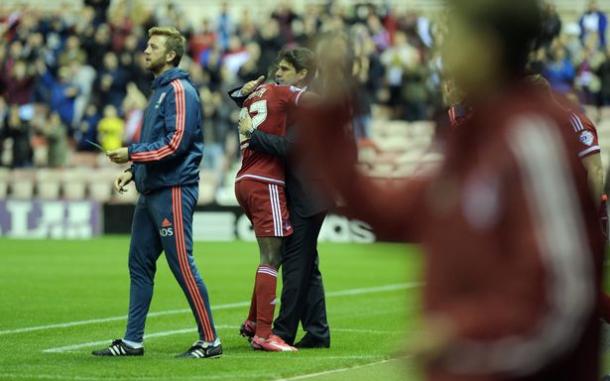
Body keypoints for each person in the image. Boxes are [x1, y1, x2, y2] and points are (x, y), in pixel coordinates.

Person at [300, 1, 605, 380]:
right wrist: (330, 109)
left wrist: (463, 336)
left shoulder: (533, 138)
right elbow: (382, 209)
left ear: (487, 48)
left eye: (452, 36)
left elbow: (563, 300)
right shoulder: (472, 136)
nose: (442, 50)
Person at [92, 26, 221, 359]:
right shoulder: (159, 92)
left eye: (153, 46)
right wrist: (133, 171)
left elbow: (175, 144)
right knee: (139, 265)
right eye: (146, 45)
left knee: (182, 264)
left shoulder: (180, 90)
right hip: (151, 190)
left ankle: (210, 341)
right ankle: (132, 341)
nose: (145, 51)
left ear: (171, 55)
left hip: (174, 190)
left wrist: (132, 153)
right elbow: (158, 143)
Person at [230, 47, 329, 351]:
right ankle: (317, 332)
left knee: (294, 264)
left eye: (285, 69)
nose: (278, 72)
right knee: (306, 266)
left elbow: (293, 147)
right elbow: (260, 106)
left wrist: (252, 135)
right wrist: (240, 93)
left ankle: (281, 331)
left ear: (302, 74)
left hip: (307, 194)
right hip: (296, 191)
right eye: (279, 67)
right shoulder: (285, 98)